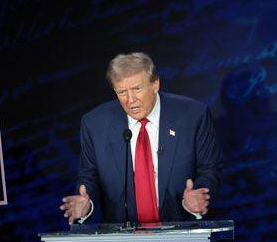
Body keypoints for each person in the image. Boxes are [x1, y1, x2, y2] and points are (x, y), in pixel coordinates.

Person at [60, 52, 219, 225]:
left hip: (183, 230)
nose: (130, 100)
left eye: (137, 89)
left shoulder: (193, 115)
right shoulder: (94, 123)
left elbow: (209, 169)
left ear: (155, 84)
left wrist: (197, 195)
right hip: (122, 239)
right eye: (122, 92)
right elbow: (89, 176)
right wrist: (87, 203)